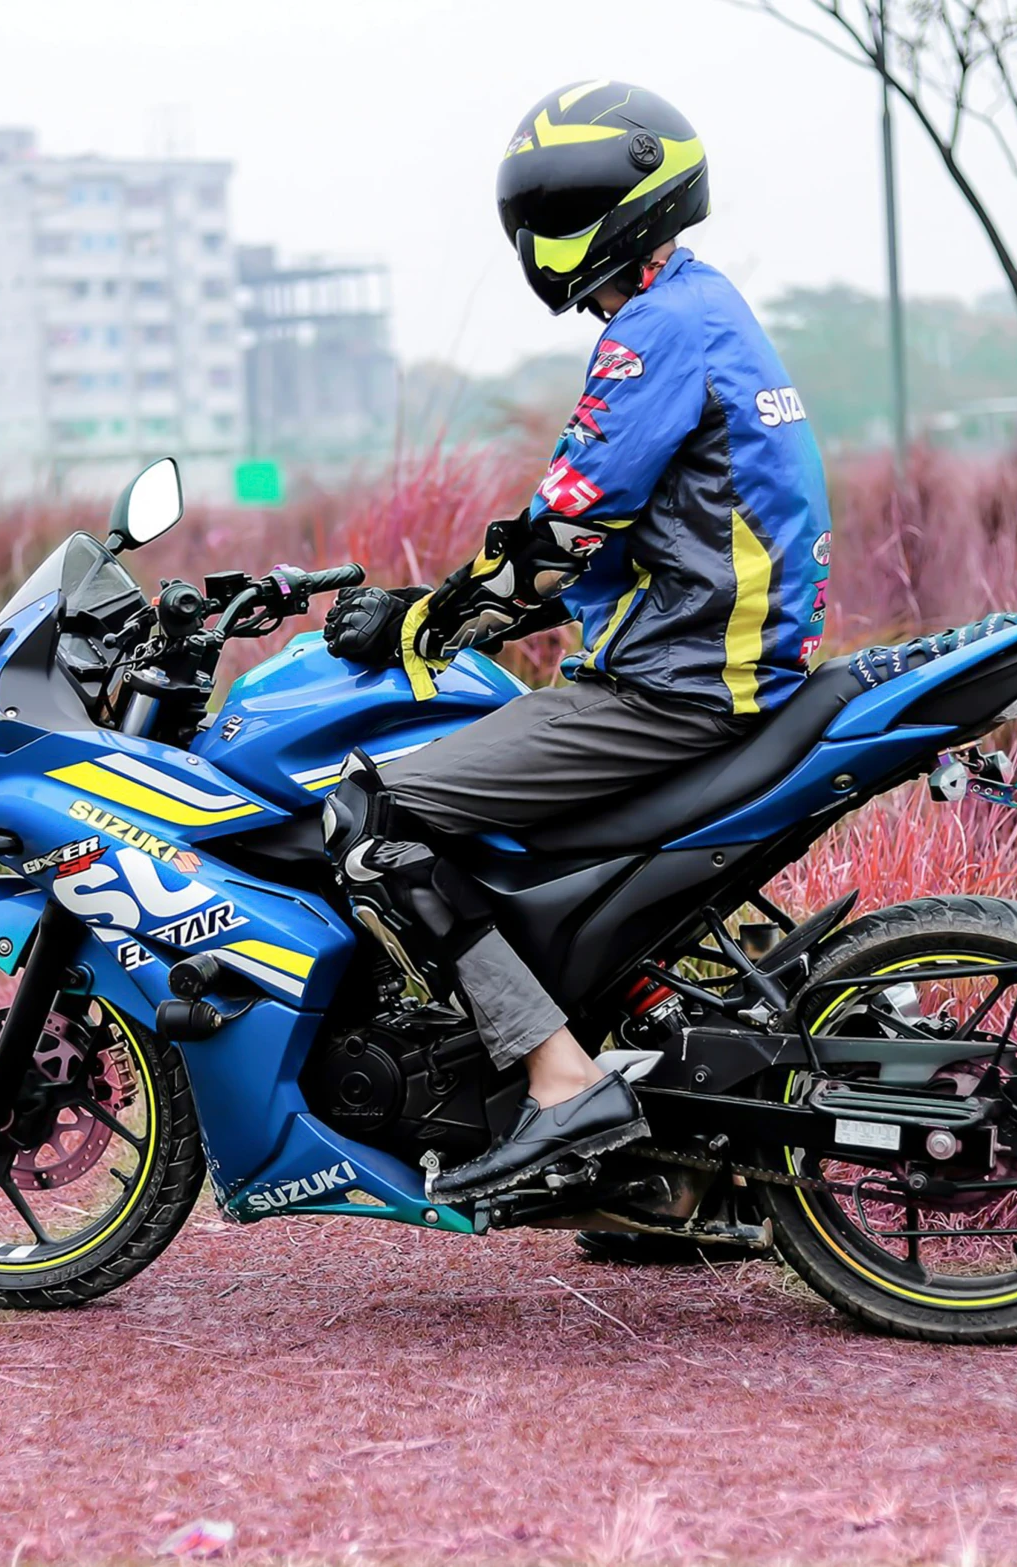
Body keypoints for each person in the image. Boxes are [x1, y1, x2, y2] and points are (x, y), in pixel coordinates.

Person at [320, 80, 834, 1206]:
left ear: (619, 202)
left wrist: (424, 619)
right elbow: (595, 552)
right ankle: (675, 1190)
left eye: (554, 209)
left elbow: (561, 534)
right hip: (714, 665)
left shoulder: (655, 332)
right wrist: (451, 603)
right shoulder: (700, 305)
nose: (540, 236)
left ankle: (560, 1084)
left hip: (676, 683)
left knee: (375, 817)